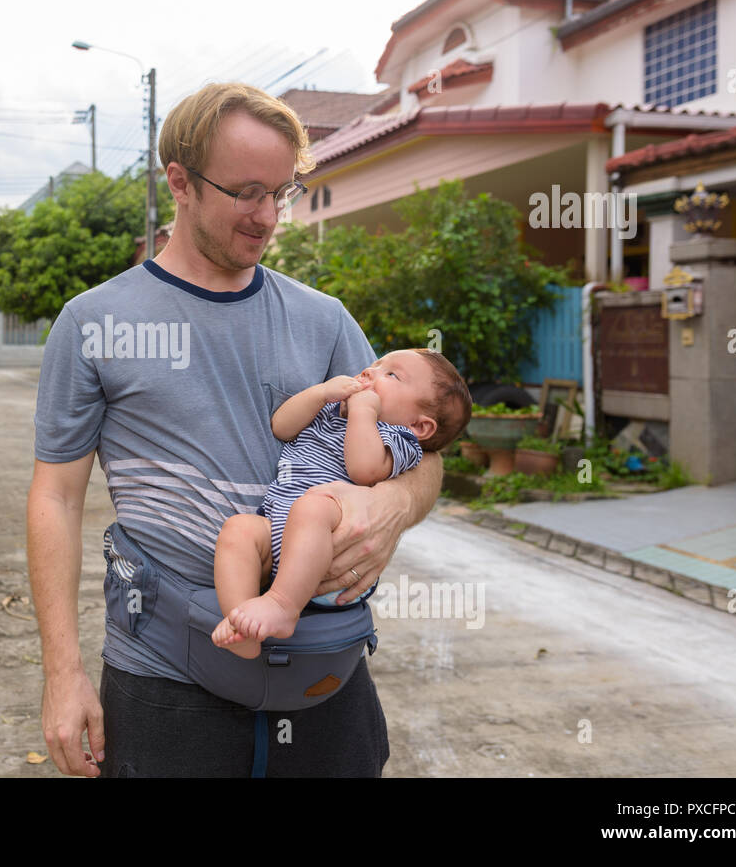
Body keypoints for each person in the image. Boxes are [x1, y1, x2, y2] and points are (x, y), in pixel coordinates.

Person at [27, 82, 443, 778]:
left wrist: (395, 506)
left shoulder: (325, 319)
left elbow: (422, 459)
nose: (267, 217)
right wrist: (61, 672)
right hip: (165, 682)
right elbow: (56, 498)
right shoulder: (94, 323)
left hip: (324, 680)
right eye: (247, 191)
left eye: (281, 193)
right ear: (180, 182)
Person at [212, 350, 471, 657]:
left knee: (315, 505)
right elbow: (281, 426)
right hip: (282, 538)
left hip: (332, 554)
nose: (370, 372)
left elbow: (363, 470)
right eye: (375, 365)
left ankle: (282, 606)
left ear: (419, 426)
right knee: (239, 529)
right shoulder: (332, 412)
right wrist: (321, 393)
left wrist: (363, 412)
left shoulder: (399, 439)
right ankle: (241, 624)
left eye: (391, 375)